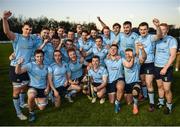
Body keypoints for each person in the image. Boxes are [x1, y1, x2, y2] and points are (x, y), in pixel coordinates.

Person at [2, 10, 40, 120]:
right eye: (26, 29)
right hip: (16, 67)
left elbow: (38, 41)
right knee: (16, 91)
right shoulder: (17, 37)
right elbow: (7, 32)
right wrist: (4, 19)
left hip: (26, 68)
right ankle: (18, 113)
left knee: (24, 87)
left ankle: (22, 103)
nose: (28, 31)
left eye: (30, 29)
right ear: (22, 29)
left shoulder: (32, 39)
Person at [135, 18, 162, 112]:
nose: (143, 31)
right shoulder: (137, 40)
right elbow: (137, 53)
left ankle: (151, 103)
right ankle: (145, 96)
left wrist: (157, 26)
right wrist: (139, 59)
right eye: (141, 29)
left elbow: (159, 35)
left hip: (150, 63)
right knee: (142, 81)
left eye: (144, 29)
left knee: (149, 82)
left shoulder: (151, 37)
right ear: (139, 30)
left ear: (148, 30)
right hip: (141, 64)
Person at [15, 50, 49, 122]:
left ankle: (36, 99)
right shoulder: (30, 65)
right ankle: (31, 113)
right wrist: (18, 64)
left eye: (41, 56)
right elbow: (18, 72)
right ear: (35, 57)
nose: (39, 58)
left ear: (43, 57)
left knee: (42, 108)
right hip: (33, 87)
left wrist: (47, 88)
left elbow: (47, 78)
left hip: (42, 88)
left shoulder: (46, 66)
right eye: (37, 56)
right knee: (31, 95)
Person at [154, 23, 177, 114]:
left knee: (167, 89)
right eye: (160, 29)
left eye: (163, 29)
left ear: (167, 30)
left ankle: (169, 106)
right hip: (156, 66)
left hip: (166, 68)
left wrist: (165, 68)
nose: (161, 31)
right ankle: (161, 102)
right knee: (159, 86)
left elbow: (173, 56)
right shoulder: (157, 39)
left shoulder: (171, 40)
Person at [122, 43, 146, 115]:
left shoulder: (137, 60)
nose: (128, 55)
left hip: (136, 82)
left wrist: (142, 49)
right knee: (128, 102)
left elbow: (144, 58)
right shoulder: (123, 60)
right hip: (127, 83)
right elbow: (129, 66)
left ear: (132, 54)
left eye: (130, 54)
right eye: (126, 54)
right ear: (125, 55)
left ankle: (135, 105)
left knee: (135, 92)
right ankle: (139, 95)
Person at [104, 44, 125, 113]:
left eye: (115, 49)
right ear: (109, 50)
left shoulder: (121, 59)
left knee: (120, 87)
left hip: (119, 78)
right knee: (111, 101)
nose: (113, 50)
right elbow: (96, 64)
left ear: (117, 51)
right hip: (110, 81)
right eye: (111, 49)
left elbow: (129, 60)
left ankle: (118, 102)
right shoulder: (105, 60)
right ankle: (118, 93)